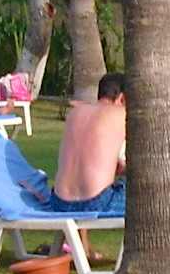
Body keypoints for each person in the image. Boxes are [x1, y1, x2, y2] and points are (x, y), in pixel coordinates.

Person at [51, 72, 127, 212]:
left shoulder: (75, 113)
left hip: (59, 203)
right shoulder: (121, 114)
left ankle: (79, 231)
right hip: (97, 202)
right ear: (122, 98)